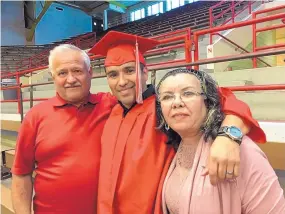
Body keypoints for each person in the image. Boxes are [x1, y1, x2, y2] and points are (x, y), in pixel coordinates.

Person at [88, 31, 266, 214]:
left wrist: (228, 135)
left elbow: (226, 99)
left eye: (129, 70)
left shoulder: (165, 107)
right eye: (113, 74)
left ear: (144, 71)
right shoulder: (110, 108)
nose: (122, 81)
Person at [156, 68, 285, 214]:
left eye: (188, 93)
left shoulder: (240, 152)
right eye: (167, 97)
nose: (177, 102)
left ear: (209, 102)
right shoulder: (174, 148)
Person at [11, 44, 117, 214]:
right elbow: (21, 174)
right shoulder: (35, 117)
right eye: (62, 73)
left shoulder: (111, 105)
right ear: (53, 76)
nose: (70, 79)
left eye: (77, 71)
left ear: (90, 73)